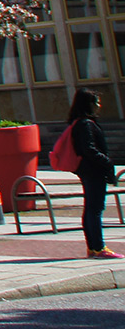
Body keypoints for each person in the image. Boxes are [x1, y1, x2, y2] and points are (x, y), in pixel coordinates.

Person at [68, 88, 118, 258]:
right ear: (88, 104)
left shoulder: (79, 123)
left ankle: (93, 247)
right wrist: (107, 161)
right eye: (96, 101)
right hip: (93, 170)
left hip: (87, 170)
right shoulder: (86, 124)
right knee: (95, 208)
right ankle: (98, 247)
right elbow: (89, 149)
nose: (99, 105)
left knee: (91, 208)